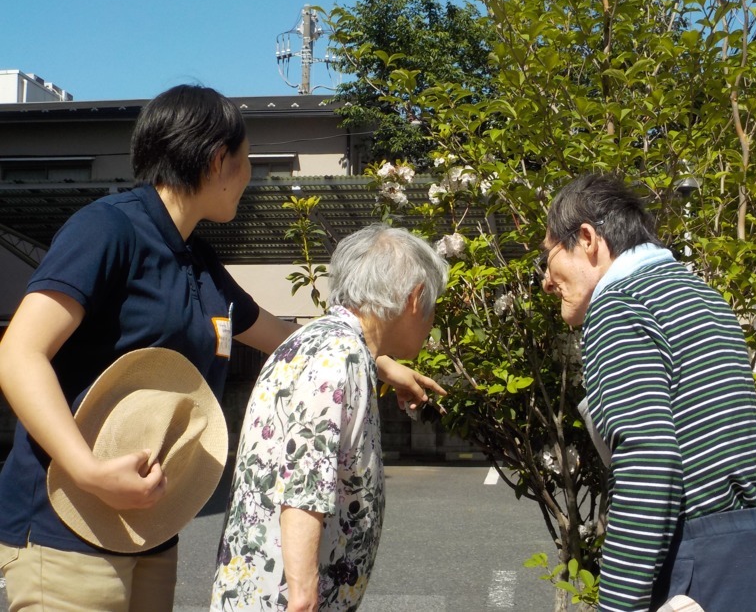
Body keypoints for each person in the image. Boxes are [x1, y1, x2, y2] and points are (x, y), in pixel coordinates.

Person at [0, 85, 440, 612]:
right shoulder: (107, 230)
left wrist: (384, 364)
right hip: (65, 522)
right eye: (248, 158)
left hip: (149, 527)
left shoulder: (197, 260)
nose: (251, 174)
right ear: (217, 161)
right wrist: (88, 470)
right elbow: (19, 353)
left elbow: (290, 338)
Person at [540, 173, 756, 612]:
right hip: (753, 549)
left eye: (548, 255)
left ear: (588, 238)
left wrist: (617, 605)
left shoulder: (619, 304)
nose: (545, 280)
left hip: (694, 566)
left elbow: (648, 456)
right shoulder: (701, 296)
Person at [210, 223, 449, 612]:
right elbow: (304, 483)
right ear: (414, 297)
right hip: (287, 601)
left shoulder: (318, 341)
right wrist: (303, 599)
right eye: (432, 304)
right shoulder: (340, 358)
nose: (432, 318)